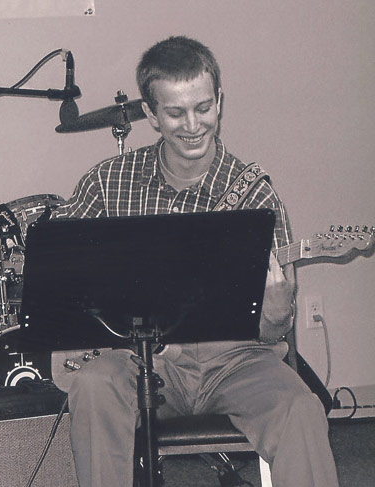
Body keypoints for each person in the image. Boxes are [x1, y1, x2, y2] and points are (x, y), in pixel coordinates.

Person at [54, 36, 339, 487]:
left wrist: (279, 304)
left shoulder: (255, 194)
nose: (193, 125)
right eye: (175, 112)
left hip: (235, 362)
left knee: (300, 408)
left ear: (219, 102)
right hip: (141, 362)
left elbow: (269, 333)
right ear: (150, 114)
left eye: (203, 108)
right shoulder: (108, 184)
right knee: (92, 385)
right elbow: (59, 268)